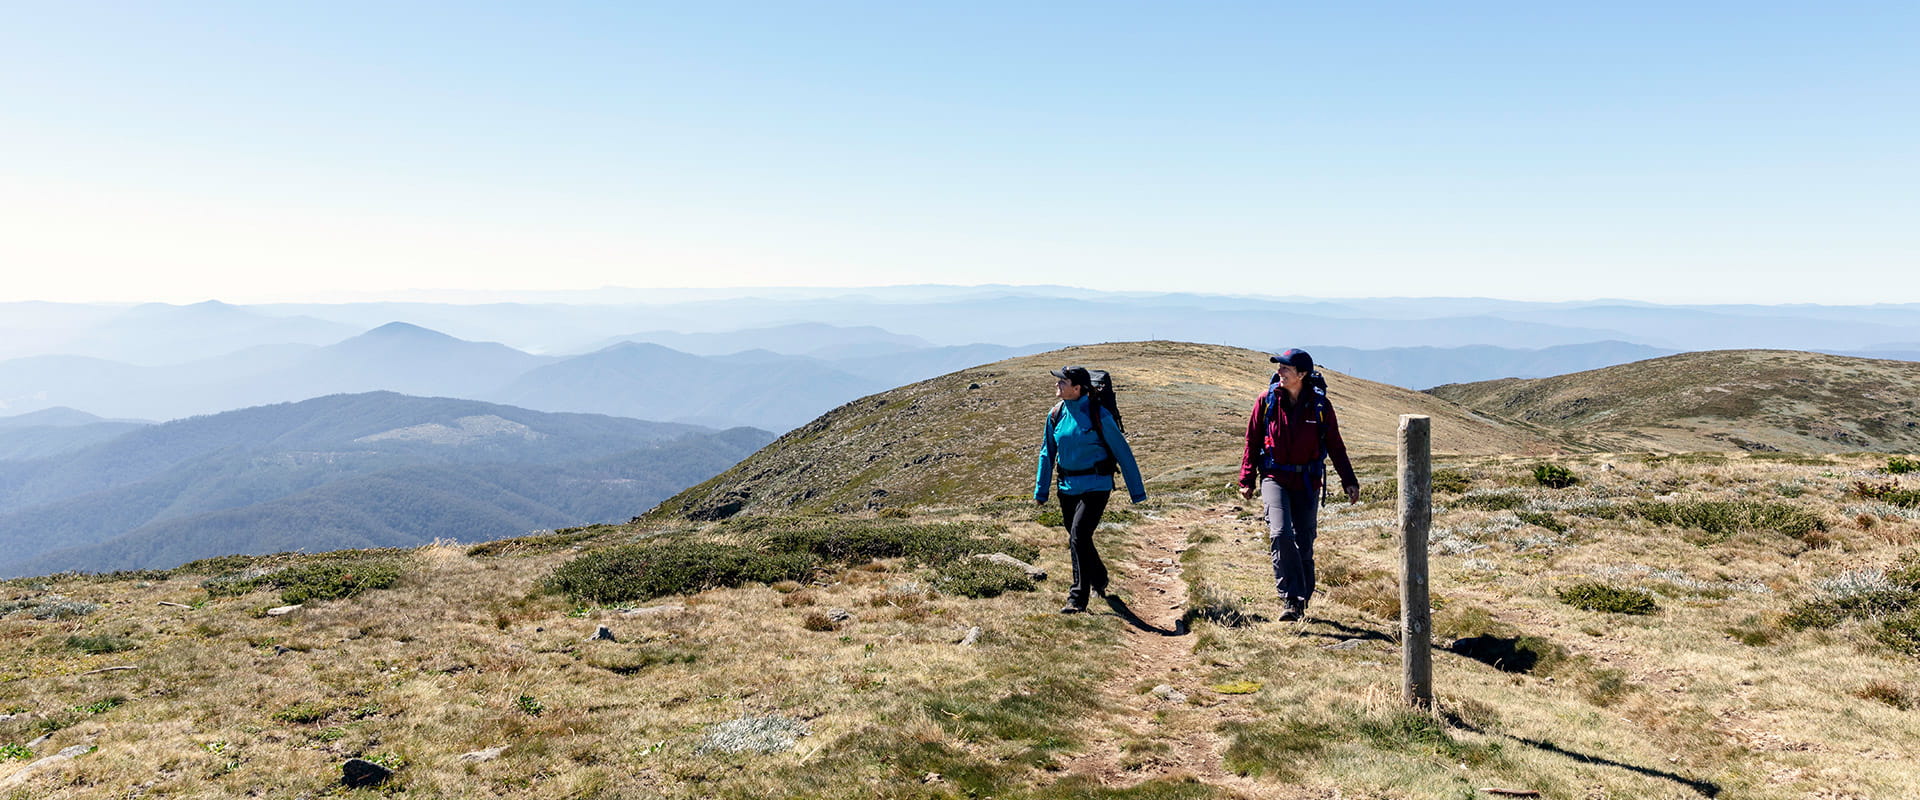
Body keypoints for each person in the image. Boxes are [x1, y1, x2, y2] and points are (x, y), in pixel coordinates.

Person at [1237, 349, 1360, 621]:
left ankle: (1303, 598)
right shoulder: (1266, 401)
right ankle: (1291, 599)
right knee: (1281, 533)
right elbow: (1252, 441)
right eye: (1279, 367)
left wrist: (1349, 481)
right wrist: (1246, 478)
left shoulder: (1320, 406)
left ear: (1302, 374)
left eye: (1286, 368)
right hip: (1274, 477)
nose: (1280, 372)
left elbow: (1335, 445)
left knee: (1304, 541)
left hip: (1307, 480)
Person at [1035, 365, 1147, 614]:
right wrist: (1041, 491)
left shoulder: (1099, 414)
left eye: (1062, 382)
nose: (1057, 385)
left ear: (1078, 388)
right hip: (1066, 486)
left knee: (1078, 535)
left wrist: (1136, 492)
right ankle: (1099, 575)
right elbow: (1047, 452)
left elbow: (1122, 452)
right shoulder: (1055, 414)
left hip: (1096, 485)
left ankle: (1077, 598)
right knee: (1079, 538)